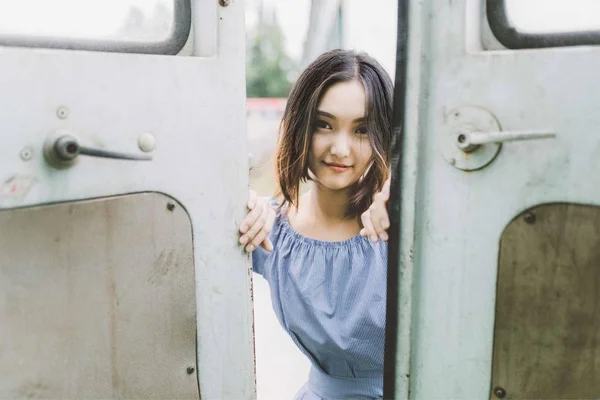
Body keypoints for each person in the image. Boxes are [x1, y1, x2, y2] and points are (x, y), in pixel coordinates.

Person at [238, 49, 394, 399]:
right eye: (324, 124)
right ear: (300, 126)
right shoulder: (272, 231)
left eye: (362, 130)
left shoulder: (397, 226)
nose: (340, 149)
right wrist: (236, 201)